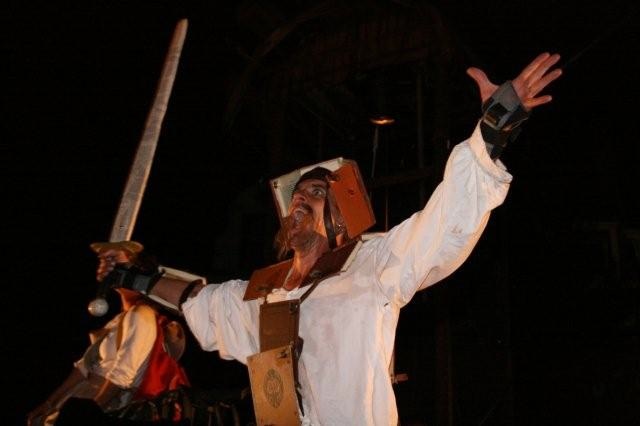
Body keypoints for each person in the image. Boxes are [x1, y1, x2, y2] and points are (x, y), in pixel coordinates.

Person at [94, 53, 562, 425]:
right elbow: (202, 302)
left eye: (316, 192)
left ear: (341, 216)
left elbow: (446, 220)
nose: (300, 199)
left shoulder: (374, 264)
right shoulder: (265, 294)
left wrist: (493, 129)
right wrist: (136, 278)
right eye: (297, 195)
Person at [27, 281, 191, 426]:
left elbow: (121, 375)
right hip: (82, 397)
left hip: (101, 399)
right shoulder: (122, 318)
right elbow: (84, 367)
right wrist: (50, 404)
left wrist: (91, 412)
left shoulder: (141, 314)